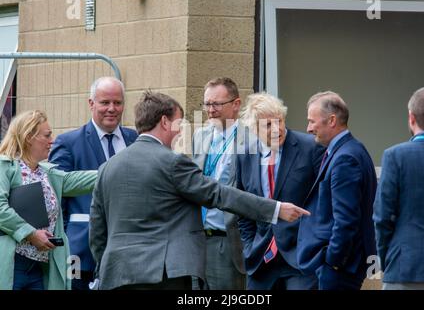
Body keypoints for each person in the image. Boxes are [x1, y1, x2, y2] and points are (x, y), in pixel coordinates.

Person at [89, 90, 309, 290]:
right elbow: (218, 194)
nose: (180, 132)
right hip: (164, 276)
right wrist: (275, 209)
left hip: (115, 276)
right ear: (165, 122)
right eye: (179, 124)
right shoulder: (172, 163)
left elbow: (97, 230)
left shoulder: (107, 168)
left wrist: (108, 264)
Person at [48, 76, 138, 290]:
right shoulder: (69, 143)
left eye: (117, 103)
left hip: (130, 252)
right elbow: (55, 195)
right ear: (91, 104)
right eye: (105, 102)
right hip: (81, 252)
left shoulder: (135, 139)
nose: (112, 109)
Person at [236, 93, 325, 290]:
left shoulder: (310, 147)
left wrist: (316, 244)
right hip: (261, 260)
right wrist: (249, 246)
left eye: (280, 121)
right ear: (254, 129)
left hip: (300, 258)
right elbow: (242, 206)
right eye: (268, 125)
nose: (277, 129)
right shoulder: (244, 156)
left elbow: (324, 199)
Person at [0, 110, 96, 290]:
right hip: (13, 264)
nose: (52, 140)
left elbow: (82, 179)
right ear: (29, 137)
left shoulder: (46, 173)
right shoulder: (4, 166)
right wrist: (31, 234)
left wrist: (114, 167)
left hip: (38, 267)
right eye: (47, 135)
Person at [297, 91, 377, 290]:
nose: (308, 129)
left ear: (332, 120)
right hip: (340, 265)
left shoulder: (345, 158)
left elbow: (346, 219)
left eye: (312, 121)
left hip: (339, 268)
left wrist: (333, 260)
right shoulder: (351, 149)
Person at [373, 87, 424, 290]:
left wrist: (387, 258)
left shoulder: (395, 156)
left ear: (411, 117)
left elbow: (382, 217)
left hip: (403, 267)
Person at [191, 77, 246, 290]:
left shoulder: (250, 140)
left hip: (228, 241)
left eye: (217, 104)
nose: (210, 110)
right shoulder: (200, 136)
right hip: (197, 239)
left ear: (236, 104)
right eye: (207, 104)